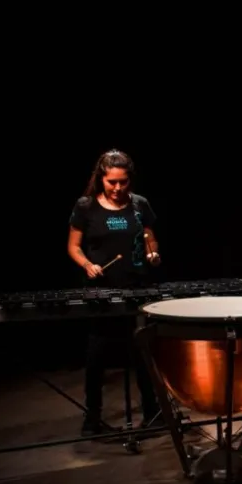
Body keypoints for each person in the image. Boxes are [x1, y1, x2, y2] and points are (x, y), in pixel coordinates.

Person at [67, 149, 164, 436]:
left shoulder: (140, 205)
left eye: (123, 182)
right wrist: (87, 264)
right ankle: (93, 417)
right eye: (112, 182)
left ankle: (152, 412)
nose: (118, 188)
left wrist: (153, 254)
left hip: (137, 289)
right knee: (97, 355)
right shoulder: (85, 207)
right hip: (102, 292)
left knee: (143, 353)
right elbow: (73, 246)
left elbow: (150, 238)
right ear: (102, 179)